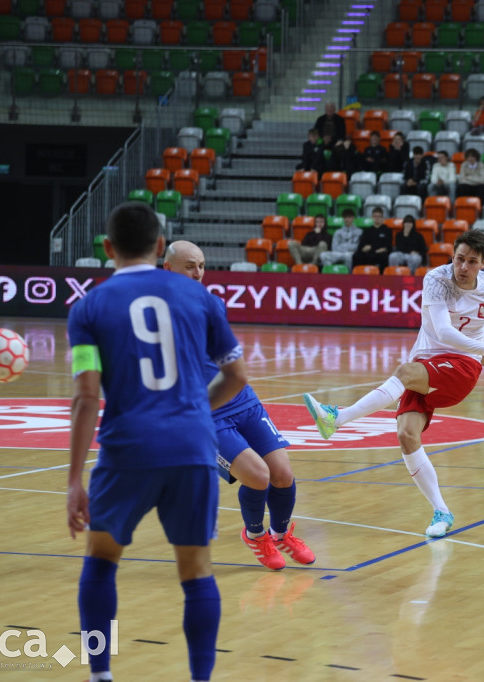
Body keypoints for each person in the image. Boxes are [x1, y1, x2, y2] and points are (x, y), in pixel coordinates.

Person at [67, 202, 248, 682]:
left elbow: (86, 399)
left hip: (126, 450)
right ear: (161, 248)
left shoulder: (88, 307)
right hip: (191, 449)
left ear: (107, 248)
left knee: (102, 560)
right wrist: (193, 413)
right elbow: (236, 375)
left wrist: (72, 480)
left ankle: (101, 675)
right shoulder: (200, 298)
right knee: (196, 571)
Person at [302, 230, 484, 537]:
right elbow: (442, 331)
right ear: (452, 257)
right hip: (428, 362)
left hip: (462, 365)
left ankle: (337, 418)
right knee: (406, 435)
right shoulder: (437, 281)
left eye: (471, 262)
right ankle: (442, 511)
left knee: (404, 373)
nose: (463, 267)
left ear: (483, 263)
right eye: (459, 259)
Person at [163, 240, 315, 571]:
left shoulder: (213, 305)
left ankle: (280, 533)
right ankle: (255, 534)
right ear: (168, 269)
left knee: (283, 474)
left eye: (201, 266)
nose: (198, 273)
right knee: (258, 476)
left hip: (244, 402)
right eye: (190, 266)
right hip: (206, 416)